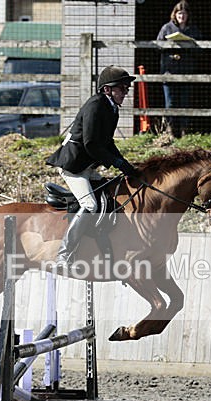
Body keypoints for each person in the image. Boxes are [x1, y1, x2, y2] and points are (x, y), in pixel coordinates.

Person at [46, 65, 139, 268]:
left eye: (126, 88)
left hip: (86, 166)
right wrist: (116, 163)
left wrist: (126, 166)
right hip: (73, 166)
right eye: (122, 88)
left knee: (109, 194)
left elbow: (108, 142)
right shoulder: (96, 105)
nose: (125, 92)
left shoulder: (111, 108)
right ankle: (63, 255)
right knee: (91, 205)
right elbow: (90, 143)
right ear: (107, 90)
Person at [156, 1, 202, 137]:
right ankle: (170, 130)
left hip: (186, 70)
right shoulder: (166, 28)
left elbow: (201, 48)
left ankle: (184, 130)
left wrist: (189, 45)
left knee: (185, 101)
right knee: (170, 101)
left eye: (184, 13)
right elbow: (158, 45)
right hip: (169, 70)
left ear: (188, 15)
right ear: (175, 14)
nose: (182, 16)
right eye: (179, 13)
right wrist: (170, 46)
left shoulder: (193, 30)